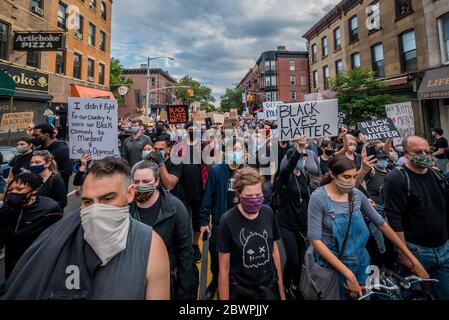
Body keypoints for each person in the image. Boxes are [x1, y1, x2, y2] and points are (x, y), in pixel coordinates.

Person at [4, 157, 170, 300]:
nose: (96, 211)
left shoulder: (149, 245)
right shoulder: (57, 239)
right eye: (88, 202)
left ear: (130, 194)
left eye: (107, 198)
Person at [307, 155, 429, 299]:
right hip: (333, 267)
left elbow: (382, 224)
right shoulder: (318, 197)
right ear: (333, 175)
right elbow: (315, 239)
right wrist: (348, 274)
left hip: (362, 263)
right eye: (346, 177)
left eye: (354, 176)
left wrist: (412, 258)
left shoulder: (357, 195)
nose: (352, 182)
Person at [383, 135, 449, 299]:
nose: (425, 155)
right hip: (417, 251)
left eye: (428, 151)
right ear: (406, 154)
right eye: (418, 152)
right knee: (416, 295)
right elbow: (394, 219)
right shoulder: (396, 179)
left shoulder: (436, 175)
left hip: (443, 248)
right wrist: (405, 254)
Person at [217, 167, 286, 300]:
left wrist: (281, 291)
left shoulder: (268, 213)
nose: (255, 200)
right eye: (249, 196)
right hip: (242, 292)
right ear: (239, 194)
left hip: (269, 288)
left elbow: (274, 252)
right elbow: (224, 269)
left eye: (258, 195)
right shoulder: (227, 221)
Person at [130, 160, 194, 300]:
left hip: (166, 283)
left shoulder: (175, 209)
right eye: (136, 181)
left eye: (146, 181)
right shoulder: (126, 208)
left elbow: (185, 254)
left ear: (157, 181)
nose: (140, 186)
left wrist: (184, 292)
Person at [199, 137, 246, 300]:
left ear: (244, 153)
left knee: (238, 258)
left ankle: (234, 285)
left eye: (238, 149)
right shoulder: (217, 171)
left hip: (242, 225)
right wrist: (204, 221)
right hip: (220, 224)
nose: (235, 153)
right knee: (216, 257)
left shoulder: (247, 173)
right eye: (232, 149)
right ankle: (215, 283)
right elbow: (208, 197)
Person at [0, 173, 62, 278]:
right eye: (11, 190)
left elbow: (57, 237)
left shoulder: (50, 209)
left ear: (34, 190)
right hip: (12, 261)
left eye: (19, 190)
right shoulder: (7, 207)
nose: (13, 193)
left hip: (36, 261)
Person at [275, 136, 311, 299]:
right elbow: (287, 168)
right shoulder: (283, 177)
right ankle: (284, 285)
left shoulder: (304, 176)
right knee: (293, 259)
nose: (302, 159)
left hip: (301, 225)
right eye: (299, 157)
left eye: (303, 157)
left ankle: (295, 285)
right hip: (286, 224)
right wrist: (298, 149)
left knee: (301, 259)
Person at [173, 121, 210, 263]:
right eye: (190, 129)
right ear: (185, 131)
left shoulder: (203, 145)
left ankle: (195, 246)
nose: (193, 131)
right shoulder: (178, 146)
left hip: (200, 189)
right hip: (182, 190)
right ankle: (184, 247)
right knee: (183, 220)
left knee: (196, 221)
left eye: (195, 129)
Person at [32, 124, 72, 192]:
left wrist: (46, 174)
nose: (35, 138)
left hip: (56, 192)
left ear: (47, 135)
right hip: (38, 190)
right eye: (34, 136)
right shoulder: (37, 151)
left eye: (37, 135)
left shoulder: (63, 150)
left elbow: (67, 172)